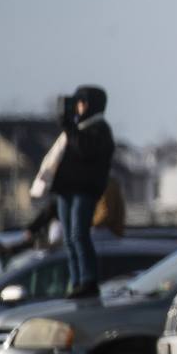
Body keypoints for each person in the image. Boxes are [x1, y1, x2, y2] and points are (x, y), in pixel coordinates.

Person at [51, 86, 116, 298]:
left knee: (79, 234)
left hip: (84, 190)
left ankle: (88, 280)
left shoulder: (99, 129)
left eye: (81, 102)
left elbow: (85, 150)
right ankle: (76, 280)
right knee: (69, 239)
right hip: (67, 190)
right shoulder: (77, 129)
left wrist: (70, 128)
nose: (78, 107)